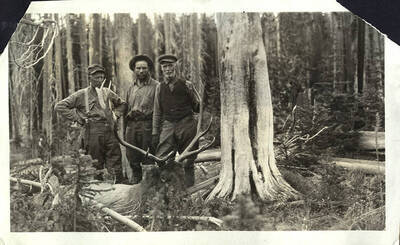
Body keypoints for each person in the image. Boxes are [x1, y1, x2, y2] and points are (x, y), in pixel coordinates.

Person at [55, 64, 127, 183]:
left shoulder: (108, 92)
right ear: (90, 78)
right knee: (95, 166)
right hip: (92, 133)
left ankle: (118, 191)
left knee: (115, 164)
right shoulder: (81, 94)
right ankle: (96, 194)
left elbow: (122, 104)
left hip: (110, 131)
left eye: (101, 77)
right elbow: (60, 106)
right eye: (96, 77)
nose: (99, 80)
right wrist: (78, 118)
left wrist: (115, 115)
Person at [152, 54, 200, 187]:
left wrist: (200, 102)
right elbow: (157, 112)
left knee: (188, 158)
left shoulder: (186, 84)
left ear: (175, 67)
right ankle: (169, 188)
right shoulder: (159, 87)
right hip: (168, 125)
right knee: (162, 157)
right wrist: (155, 133)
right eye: (165, 66)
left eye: (170, 66)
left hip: (186, 124)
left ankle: (190, 189)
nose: (168, 69)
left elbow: (197, 107)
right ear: (162, 69)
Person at [124, 54, 159, 184]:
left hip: (147, 126)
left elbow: (159, 110)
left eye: (144, 68)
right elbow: (126, 109)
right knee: (131, 155)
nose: (141, 71)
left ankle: (150, 186)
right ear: (134, 69)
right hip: (132, 126)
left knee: (148, 157)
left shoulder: (156, 86)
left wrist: (156, 131)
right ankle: (136, 183)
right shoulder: (130, 88)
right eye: (138, 68)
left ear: (149, 69)